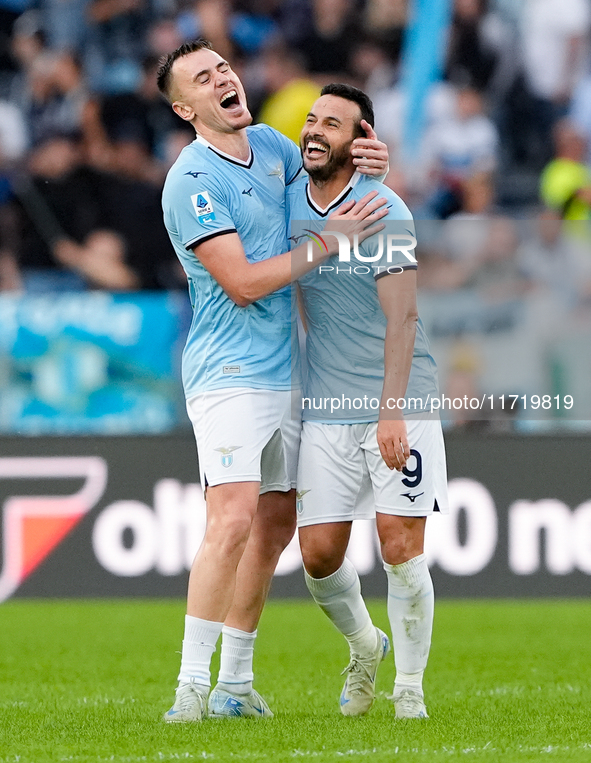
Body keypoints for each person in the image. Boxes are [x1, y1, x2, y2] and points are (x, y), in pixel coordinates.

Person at [156, 39, 390, 722]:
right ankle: (189, 689)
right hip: (229, 373)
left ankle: (235, 684)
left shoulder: (272, 146)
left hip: (291, 369)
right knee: (230, 517)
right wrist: (326, 243)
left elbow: (326, 194)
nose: (222, 77)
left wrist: (367, 161)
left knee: (274, 524)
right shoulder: (193, 179)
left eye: (223, 67)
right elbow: (243, 282)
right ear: (184, 107)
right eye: (203, 78)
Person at [287, 83, 448, 719]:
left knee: (400, 543)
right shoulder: (286, 202)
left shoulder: (386, 209)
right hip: (325, 403)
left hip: (399, 399)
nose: (315, 131)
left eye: (333, 123)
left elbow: (402, 317)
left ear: (362, 142)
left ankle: (409, 688)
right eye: (311, 120)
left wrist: (393, 411)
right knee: (319, 555)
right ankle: (364, 645)